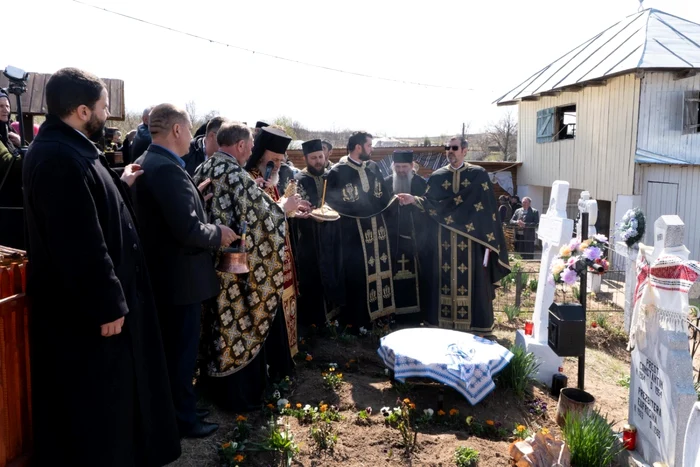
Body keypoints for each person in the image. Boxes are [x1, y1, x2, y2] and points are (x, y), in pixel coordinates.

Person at [22, 67, 180, 467]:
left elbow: (88, 197)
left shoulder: (69, 149)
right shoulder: (59, 157)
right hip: (87, 315)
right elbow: (78, 242)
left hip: (95, 310)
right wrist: (107, 303)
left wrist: (117, 180)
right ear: (81, 110)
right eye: (102, 108)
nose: (107, 115)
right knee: (96, 405)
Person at [131, 104, 237, 438]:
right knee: (180, 354)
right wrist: (219, 233)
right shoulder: (165, 169)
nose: (193, 136)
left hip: (169, 278)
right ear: (177, 130)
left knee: (177, 351)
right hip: (179, 281)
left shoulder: (157, 163)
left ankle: (182, 408)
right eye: (190, 129)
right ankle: (183, 420)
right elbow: (188, 230)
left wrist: (194, 191)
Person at [193, 122, 303, 411]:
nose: (252, 152)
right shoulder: (236, 175)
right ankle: (237, 396)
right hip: (233, 269)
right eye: (251, 146)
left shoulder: (204, 168)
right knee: (235, 324)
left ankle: (212, 383)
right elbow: (263, 220)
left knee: (214, 324)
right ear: (240, 146)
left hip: (208, 263)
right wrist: (285, 207)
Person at [398, 136, 510, 335]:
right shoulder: (438, 176)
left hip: (471, 242)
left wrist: (488, 242)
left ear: (465, 150)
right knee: (441, 280)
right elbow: (430, 203)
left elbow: (487, 211)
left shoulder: (478, 175)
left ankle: (476, 328)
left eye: (454, 147)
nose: (450, 151)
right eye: (447, 148)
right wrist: (414, 200)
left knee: (474, 282)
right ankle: (441, 325)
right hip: (442, 242)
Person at [245, 126, 311, 372]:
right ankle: (275, 363)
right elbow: (257, 219)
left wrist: (294, 210)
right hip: (263, 261)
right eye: (274, 159)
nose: (278, 165)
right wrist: (284, 207)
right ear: (261, 155)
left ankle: (287, 357)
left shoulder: (270, 179)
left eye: (281, 160)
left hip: (281, 252)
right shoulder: (250, 178)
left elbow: (277, 210)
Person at [322, 131, 397, 329]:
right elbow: (331, 205)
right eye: (369, 145)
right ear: (358, 147)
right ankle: (358, 320)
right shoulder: (337, 172)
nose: (371, 149)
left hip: (377, 231)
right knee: (357, 275)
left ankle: (380, 315)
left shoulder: (373, 167)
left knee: (380, 269)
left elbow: (384, 197)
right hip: (353, 235)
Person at [291, 139, 340, 326]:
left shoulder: (331, 175)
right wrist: (308, 212)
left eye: (320, 156)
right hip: (309, 238)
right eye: (313, 158)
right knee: (312, 276)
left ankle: (333, 317)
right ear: (305, 159)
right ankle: (314, 321)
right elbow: (295, 208)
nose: (318, 161)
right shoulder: (298, 180)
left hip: (330, 234)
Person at [383, 150, 430, 322]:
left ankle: (418, 316)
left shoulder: (421, 184)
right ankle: (392, 316)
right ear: (393, 167)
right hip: (391, 243)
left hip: (417, 243)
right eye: (398, 167)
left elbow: (430, 207)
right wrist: (392, 204)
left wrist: (414, 200)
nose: (401, 170)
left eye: (404, 167)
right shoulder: (386, 183)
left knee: (419, 279)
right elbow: (380, 209)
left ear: (412, 166)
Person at [0, 89, 24, 249]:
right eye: (0, 106)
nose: (5, 110)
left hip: (16, 201)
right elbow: (8, 164)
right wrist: (30, 152)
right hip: (4, 205)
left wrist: (22, 143)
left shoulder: (9, 132)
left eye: (7, 106)